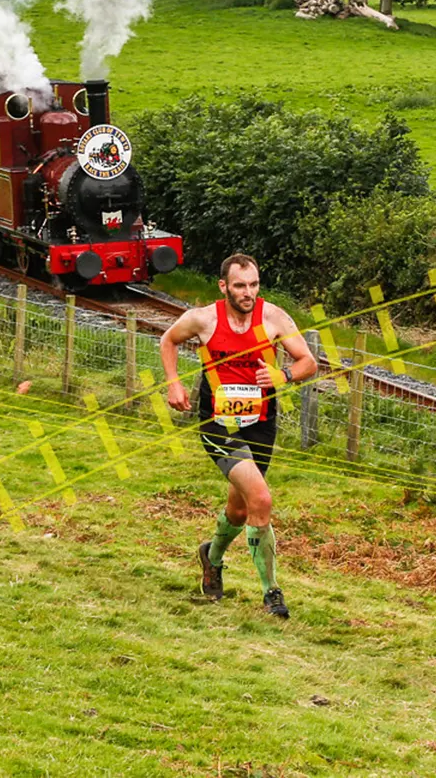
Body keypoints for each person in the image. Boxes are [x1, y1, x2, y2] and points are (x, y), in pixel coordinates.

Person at [161, 254, 317, 620]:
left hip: (260, 422)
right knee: (261, 498)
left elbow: (308, 362)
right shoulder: (203, 319)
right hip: (219, 424)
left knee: (241, 508)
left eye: (254, 285)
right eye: (240, 286)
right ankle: (272, 593)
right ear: (224, 287)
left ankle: (211, 557)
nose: (248, 293)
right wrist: (174, 384)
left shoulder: (274, 317)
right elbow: (168, 340)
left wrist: (283, 376)